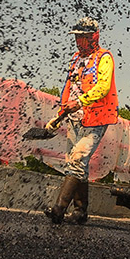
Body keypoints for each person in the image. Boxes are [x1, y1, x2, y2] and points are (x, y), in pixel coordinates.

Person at [43, 17, 119, 226]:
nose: (79, 41)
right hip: (75, 119)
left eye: (83, 37)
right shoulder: (76, 59)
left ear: (94, 37)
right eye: (77, 37)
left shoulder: (104, 58)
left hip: (95, 118)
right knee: (76, 164)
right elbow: (68, 89)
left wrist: (80, 102)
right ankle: (80, 211)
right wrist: (58, 117)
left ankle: (59, 209)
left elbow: (103, 88)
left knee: (77, 160)